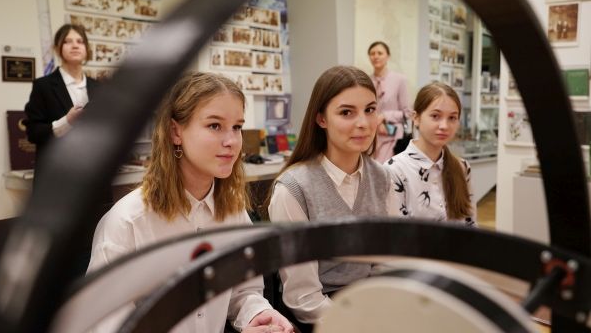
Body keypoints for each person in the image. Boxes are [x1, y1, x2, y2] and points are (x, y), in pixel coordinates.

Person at [87, 72, 293, 333]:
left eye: (237, 127)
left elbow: (242, 291)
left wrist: (259, 314)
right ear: (176, 132)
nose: (231, 141)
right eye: (214, 126)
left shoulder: (233, 211)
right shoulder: (127, 222)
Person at [267, 66, 397, 329]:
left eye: (370, 110)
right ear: (321, 119)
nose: (363, 123)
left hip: (371, 306)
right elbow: (303, 296)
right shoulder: (292, 189)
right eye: (346, 112)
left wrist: (380, 312)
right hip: (321, 318)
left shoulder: (383, 178)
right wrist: (357, 324)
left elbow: (386, 263)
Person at [384, 82, 476, 226]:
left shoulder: (462, 167)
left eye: (452, 118)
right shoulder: (394, 170)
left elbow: (471, 224)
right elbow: (397, 233)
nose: (444, 126)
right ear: (416, 118)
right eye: (435, 116)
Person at [24, 23, 99, 174]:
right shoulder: (43, 86)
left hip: (93, 174)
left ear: (86, 48)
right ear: (57, 48)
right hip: (56, 175)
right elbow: (33, 133)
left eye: (80, 41)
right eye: (67, 41)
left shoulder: (98, 88)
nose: (75, 46)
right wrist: (66, 122)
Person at [367, 41, 412, 163]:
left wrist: (384, 116)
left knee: (386, 170)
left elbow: (408, 112)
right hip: (371, 137)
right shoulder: (366, 81)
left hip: (392, 137)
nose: (376, 56)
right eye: (372, 53)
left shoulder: (400, 80)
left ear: (388, 56)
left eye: (380, 53)